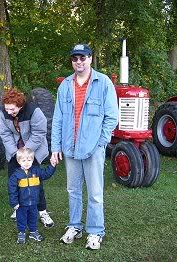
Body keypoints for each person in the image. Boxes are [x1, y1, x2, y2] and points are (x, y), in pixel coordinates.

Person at [51, 44, 118, 250]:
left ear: (90, 58)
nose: (78, 62)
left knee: (95, 192)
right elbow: (57, 119)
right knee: (73, 190)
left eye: (82, 58)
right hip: (70, 147)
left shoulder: (103, 83)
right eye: (74, 58)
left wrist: (101, 143)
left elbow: (112, 117)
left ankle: (95, 231)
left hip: (93, 148)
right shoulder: (65, 86)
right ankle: (74, 226)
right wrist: (56, 147)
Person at [0, 88, 55, 228]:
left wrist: (26, 153)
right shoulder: (3, 112)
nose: (8, 112)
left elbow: (39, 133)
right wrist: (15, 153)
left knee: (36, 183)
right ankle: (18, 209)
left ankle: (42, 211)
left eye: (12, 109)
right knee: (16, 182)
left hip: (33, 153)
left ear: (20, 105)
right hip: (14, 153)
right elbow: (5, 134)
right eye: (7, 109)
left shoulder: (34, 111)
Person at [8, 148, 57, 244]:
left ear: (33, 160)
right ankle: (21, 233)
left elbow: (46, 174)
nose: (27, 163)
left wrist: (52, 165)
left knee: (33, 218)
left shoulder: (36, 171)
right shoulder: (15, 175)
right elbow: (12, 190)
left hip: (34, 202)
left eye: (29, 160)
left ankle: (33, 232)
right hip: (21, 204)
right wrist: (14, 202)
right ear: (19, 161)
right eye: (24, 160)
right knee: (21, 218)